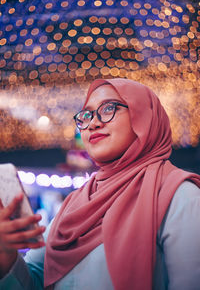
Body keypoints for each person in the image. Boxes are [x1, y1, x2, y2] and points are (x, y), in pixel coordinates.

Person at [0, 78, 200, 290]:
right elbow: (34, 282)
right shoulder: (76, 203)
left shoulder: (180, 196)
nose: (93, 123)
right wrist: (6, 255)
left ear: (144, 117)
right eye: (86, 115)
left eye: (108, 108)